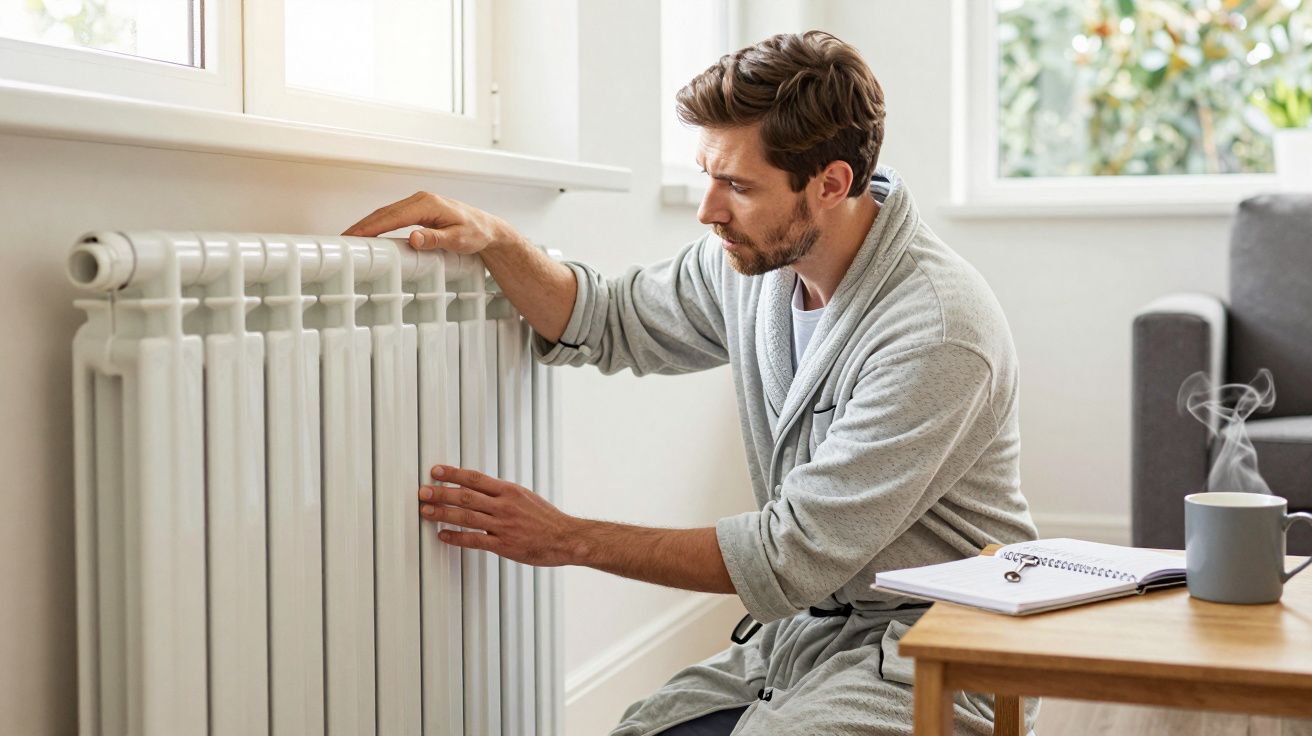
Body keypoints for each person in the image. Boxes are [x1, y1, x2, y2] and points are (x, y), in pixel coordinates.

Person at [344, 30, 1037, 736]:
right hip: (810, 637)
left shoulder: (937, 330)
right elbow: (608, 317)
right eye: (708, 175)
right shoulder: (756, 268)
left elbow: (790, 554)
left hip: (938, 646)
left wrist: (565, 538)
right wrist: (495, 237)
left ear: (829, 183)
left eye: (737, 185)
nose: (709, 210)